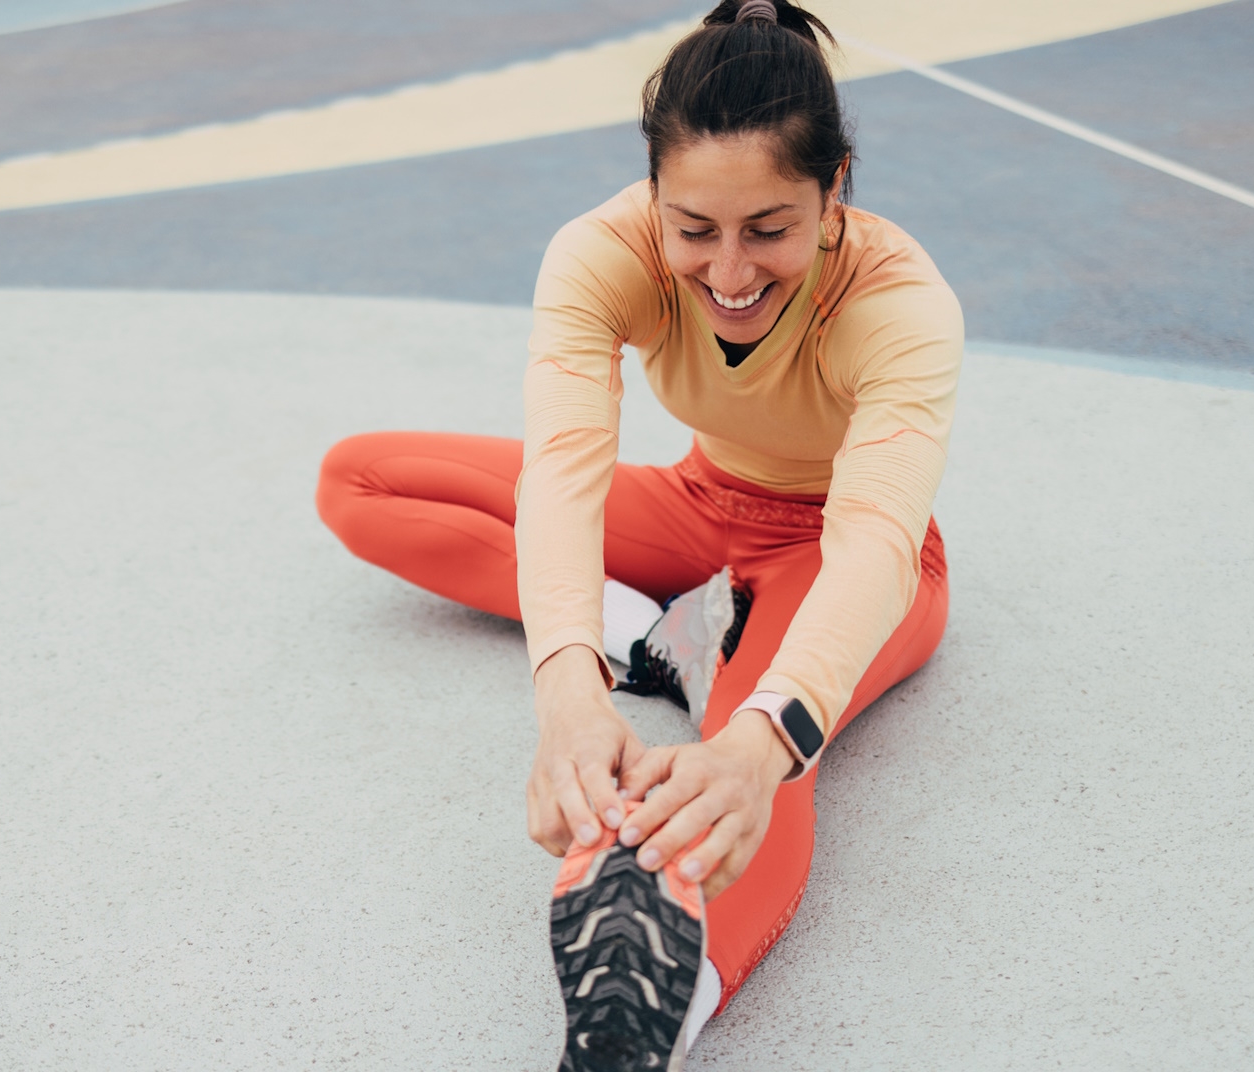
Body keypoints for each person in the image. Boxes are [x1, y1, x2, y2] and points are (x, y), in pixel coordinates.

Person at [316, 0, 961, 1066]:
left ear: (834, 185)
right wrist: (567, 688)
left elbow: (873, 544)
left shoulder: (899, 301)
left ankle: (649, 1021)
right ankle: (652, 641)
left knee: (739, 763)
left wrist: (762, 743)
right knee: (364, 481)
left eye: (770, 227)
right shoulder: (600, 251)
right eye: (694, 228)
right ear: (654, 191)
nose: (731, 271)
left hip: (838, 557)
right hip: (701, 504)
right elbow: (562, 475)